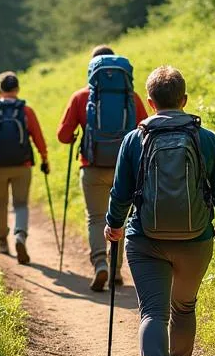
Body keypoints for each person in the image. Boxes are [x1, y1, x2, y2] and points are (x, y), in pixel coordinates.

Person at [104, 65, 215, 356]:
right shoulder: (205, 138)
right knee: (184, 306)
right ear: (185, 100)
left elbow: (121, 192)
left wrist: (113, 226)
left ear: (149, 103)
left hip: (146, 240)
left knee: (152, 314)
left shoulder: (134, 139)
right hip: (196, 240)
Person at [57, 45, 148, 292]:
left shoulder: (80, 97)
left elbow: (63, 136)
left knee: (96, 218)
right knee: (121, 218)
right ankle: (116, 271)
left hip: (92, 166)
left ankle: (100, 264)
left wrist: (78, 132)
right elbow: (146, 132)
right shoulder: (132, 98)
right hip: (126, 169)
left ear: (92, 69)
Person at [0, 71, 49, 265]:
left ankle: (2, 241)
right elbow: (38, 138)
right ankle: (20, 236)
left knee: (0, 202)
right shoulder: (26, 111)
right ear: (17, 89)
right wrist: (44, 158)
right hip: (22, 165)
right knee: (21, 204)